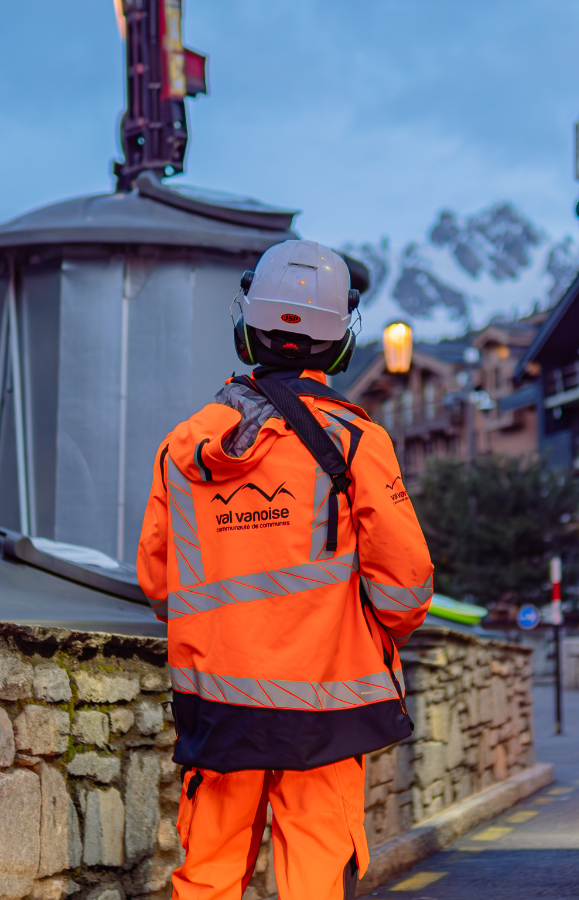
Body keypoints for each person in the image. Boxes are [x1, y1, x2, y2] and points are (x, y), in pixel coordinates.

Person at [137, 239, 434, 900]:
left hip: (217, 705)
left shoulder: (184, 447)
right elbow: (406, 587)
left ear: (247, 330)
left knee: (209, 874)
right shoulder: (357, 442)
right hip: (326, 703)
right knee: (316, 875)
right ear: (340, 344)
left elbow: (159, 586)